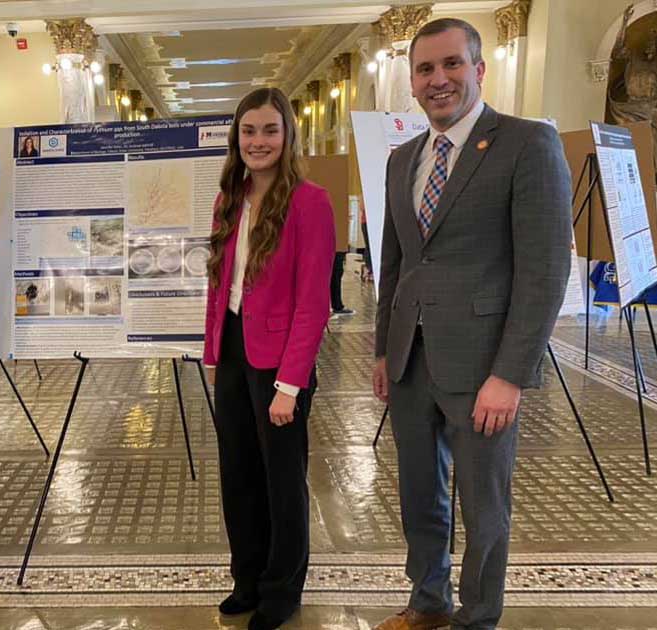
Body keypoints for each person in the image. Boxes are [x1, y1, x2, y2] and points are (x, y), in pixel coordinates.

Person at [371, 18, 571, 630]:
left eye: (451, 65)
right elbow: (398, 262)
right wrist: (383, 351)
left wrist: (510, 374)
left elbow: (544, 271)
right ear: (412, 81)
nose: (439, 80)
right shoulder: (404, 157)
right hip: (411, 360)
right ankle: (428, 602)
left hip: (483, 367)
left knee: (485, 508)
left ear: (479, 70)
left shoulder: (525, 144)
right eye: (426, 69)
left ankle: (478, 617)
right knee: (419, 496)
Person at [202, 87, 335, 630]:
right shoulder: (229, 197)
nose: (258, 141)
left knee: (283, 481)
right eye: (249, 131)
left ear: (288, 136)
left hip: (280, 361)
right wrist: (214, 351)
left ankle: (282, 589)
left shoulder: (310, 201)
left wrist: (290, 384)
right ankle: (247, 577)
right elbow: (221, 285)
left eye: (269, 130)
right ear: (237, 137)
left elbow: (313, 304)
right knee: (238, 473)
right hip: (234, 350)